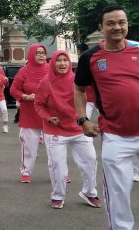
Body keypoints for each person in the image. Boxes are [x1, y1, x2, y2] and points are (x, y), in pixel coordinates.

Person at [74, 5, 139, 230]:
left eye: (121, 22)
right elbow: (79, 90)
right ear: (101, 27)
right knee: (118, 190)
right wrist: (83, 120)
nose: (117, 27)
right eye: (110, 23)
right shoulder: (90, 57)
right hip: (115, 135)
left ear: (127, 24)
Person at [34, 50, 100, 209]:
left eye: (65, 60)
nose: (62, 63)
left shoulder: (78, 79)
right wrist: (49, 117)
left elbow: (93, 96)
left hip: (78, 128)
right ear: (53, 63)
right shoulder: (46, 82)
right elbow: (38, 104)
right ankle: (58, 195)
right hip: (55, 131)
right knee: (58, 166)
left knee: (90, 160)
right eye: (59, 60)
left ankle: (90, 192)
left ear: (70, 63)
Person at [10, 44, 49, 183]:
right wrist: (25, 96)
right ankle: (26, 171)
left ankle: (60, 171)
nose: (41, 55)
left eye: (43, 53)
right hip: (30, 115)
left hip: (49, 116)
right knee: (29, 147)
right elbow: (13, 90)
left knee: (56, 147)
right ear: (31, 54)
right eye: (38, 53)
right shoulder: (23, 72)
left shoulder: (52, 70)